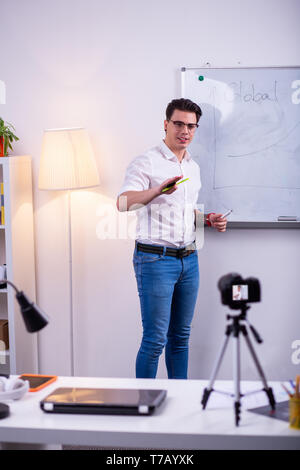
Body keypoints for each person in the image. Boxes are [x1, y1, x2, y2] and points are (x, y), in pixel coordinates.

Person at [117, 98, 228, 379]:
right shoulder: (146, 161)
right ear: (166, 124)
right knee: (155, 340)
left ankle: (181, 404)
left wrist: (207, 220)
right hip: (154, 260)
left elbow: (183, 212)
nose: (185, 131)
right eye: (178, 123)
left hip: (189, 261)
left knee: (180, 338)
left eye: (191, 126)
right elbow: (122, 203)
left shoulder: (192, 166)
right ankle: (145, 405)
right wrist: (156, 191)